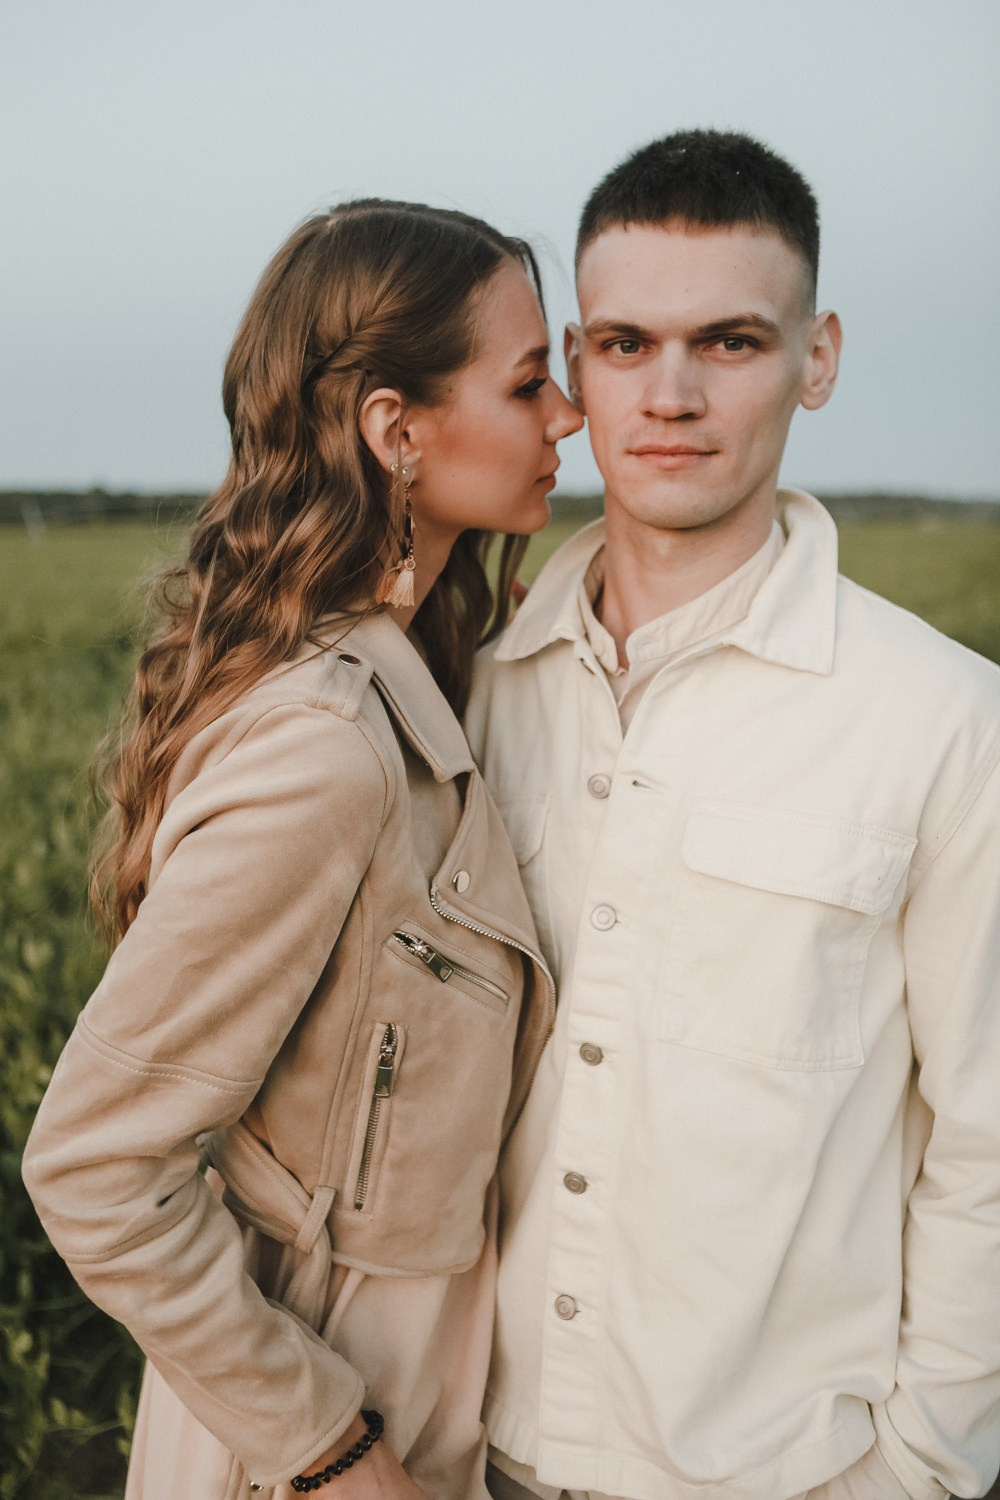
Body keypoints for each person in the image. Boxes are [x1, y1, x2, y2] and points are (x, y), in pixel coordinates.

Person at [467, 131, 1000, 1500]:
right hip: (473, 1455)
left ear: (819, 358)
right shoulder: (474, 691)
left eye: (732, 342)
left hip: (787, 1475)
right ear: (576, 367)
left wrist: (917, 1474)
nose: (674, 395)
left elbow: (990, 1142)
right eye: (627, 344)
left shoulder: (948, 722)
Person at [22, 198, 582, 1499]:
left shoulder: (418, 680)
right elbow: (96, 1164)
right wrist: (334, 1453)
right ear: (397, 430)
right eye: (526, 383)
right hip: (314, 1440)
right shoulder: (328, 750)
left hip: (415, 1404)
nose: (567, 416)